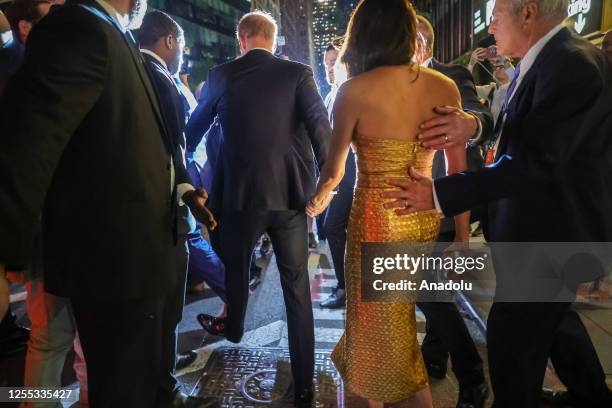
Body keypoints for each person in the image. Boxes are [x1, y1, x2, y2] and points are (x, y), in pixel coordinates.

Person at [383, 0, 612, 406]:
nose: (490, 28)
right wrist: (474, 124)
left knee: (510, 351)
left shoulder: (572, 63)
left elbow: (534, 162)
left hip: (549, 239)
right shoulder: (544, 59)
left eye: (496, 15)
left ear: (527, 12)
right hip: (540, 234)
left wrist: (439, 194)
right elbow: (515, 127)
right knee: (557, 326)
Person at [0, 0, 214, 406]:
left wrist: (183, 191)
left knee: (136, 379)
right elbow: (29, 144)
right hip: (113, 261)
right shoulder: (79, 27)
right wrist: (6, 252)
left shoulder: (114, 33)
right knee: (111, 382)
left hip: (141, 255)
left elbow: (151, 146)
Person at [306, 0, 468, 406]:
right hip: (423, 219)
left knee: (371, 334)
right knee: (395, 327)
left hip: (376, 221)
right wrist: (462, 234)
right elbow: (460, 171)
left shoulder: (353, 91)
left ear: (361, 35)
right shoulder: (442, 86)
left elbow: (334, 173)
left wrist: (315, 204)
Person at [185, 11, 330, 406]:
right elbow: (322, 133)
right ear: (275, 38)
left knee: (235, 268)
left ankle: (233, 327)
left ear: (241, 39)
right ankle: (303, 386)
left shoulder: (220, 76)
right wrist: (323, 188)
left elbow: (191, 131)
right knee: (297, 290)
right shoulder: (298, 73)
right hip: (290, 198)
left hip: (240, 198)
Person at [138, 11, 217, 407]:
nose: (183, 57)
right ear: (169, 41)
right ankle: (163, 388)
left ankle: (160, 381)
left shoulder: (133, 72)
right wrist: (186, 195)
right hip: (159, 216)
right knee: (163, 309)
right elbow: (174, 149)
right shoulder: (159, 80)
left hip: (161, 208)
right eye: (182, 47)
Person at [413, 15, 490, 408]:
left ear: (423, 44)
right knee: (432, 291)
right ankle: (437, 356)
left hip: (447, 201)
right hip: (416, 206)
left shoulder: (451, 76)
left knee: (430, 291)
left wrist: (462, 232)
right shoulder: (400, 85)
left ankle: (472, 374)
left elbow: (470, 132)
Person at [320, 41, 356, 309]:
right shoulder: (331, 94)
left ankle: (347, 287)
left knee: (334, 227)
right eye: (325, 64)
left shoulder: (348, 91)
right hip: (336, 174)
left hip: (351, 174)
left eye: (333, 63)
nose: (329, 68)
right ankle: (349, 285)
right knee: (336, 229)